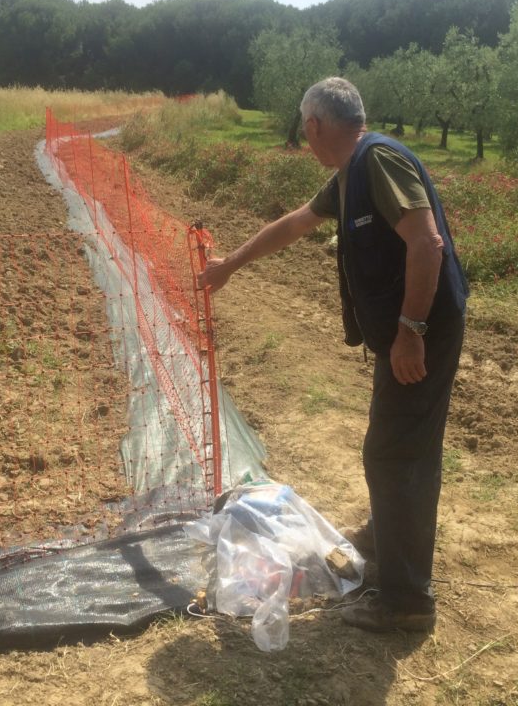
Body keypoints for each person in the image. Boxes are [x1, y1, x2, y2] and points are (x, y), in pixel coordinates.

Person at [198, 77, 468, 633]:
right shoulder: (350, 176)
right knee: (396, 445)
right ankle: (391, 544)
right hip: (405, 332)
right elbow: (294, 225)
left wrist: (411, 331)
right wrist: (231, 265)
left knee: (397, 455)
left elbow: (426, 241)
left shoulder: (378, 162)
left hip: (423, 330)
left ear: (315, 125)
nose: (304, 137)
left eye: (304, 128)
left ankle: (406, 601)